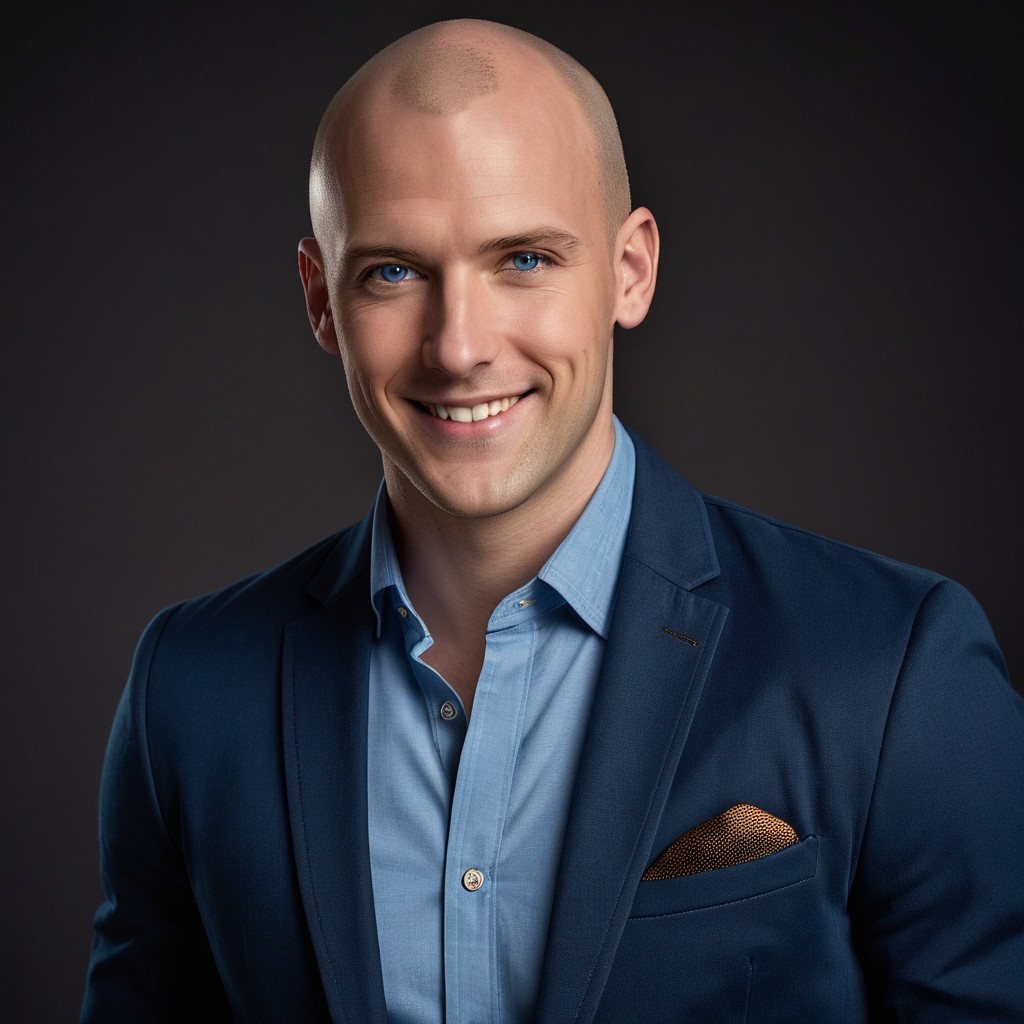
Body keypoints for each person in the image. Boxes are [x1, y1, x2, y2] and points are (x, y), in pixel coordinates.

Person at [80, 17, 1024, 1023]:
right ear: (321, 300)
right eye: (393, 271)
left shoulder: (891, 667)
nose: (459, 347)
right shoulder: (189, 689)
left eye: (524, 258)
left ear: (630, 270)